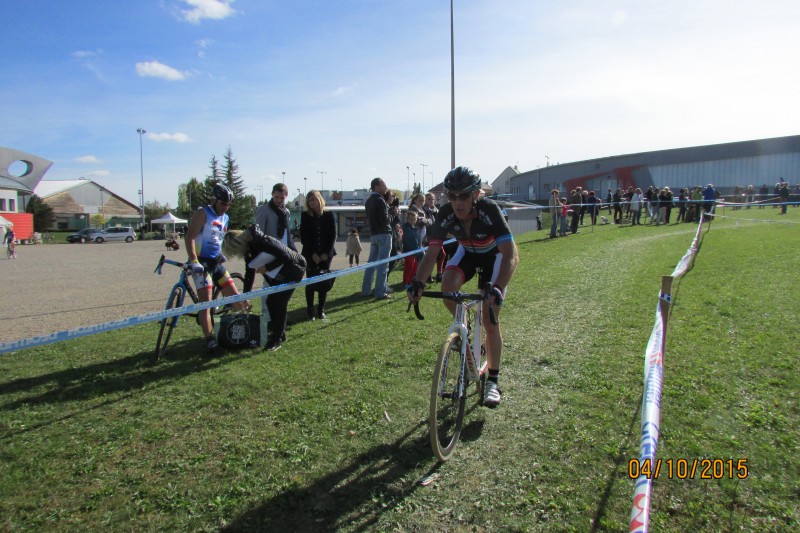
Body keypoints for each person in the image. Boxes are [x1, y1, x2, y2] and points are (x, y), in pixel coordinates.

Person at [408, 167, 519, 408]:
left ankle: (493, 381)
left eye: (463, 196)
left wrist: (498, 288)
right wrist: (418, 282)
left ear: (476, 195)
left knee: (490, 318)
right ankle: (465, 329)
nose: (457, 202)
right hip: (467, 253)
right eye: (452, 196)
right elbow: (432, 254)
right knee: (447, 286)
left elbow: (511, 254)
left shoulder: (489, 210)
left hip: (494, 257)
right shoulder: (446, 213)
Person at [184, 184, 251, 357]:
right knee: (206, 304)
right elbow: (189, 237)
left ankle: (238, 333)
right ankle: (210, 341)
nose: (225, 207)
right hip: (201, 264)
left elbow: (218, 238)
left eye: (228, 205)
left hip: (215, 263)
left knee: (238, 300)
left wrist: (221, 254)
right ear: (214, 200)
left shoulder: (225, 218)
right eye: (222, 204)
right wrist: (193, 260)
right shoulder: (203, 213)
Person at [222, 225, 306, 351]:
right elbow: (249, 273)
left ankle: (276, 339)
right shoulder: (249, 250)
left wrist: (267, 268)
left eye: (234, 251)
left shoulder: (262, 241)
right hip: (277, 274)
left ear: (238, 244)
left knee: (279, 303)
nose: (236, 254)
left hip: (294, 269)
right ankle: (280, 333)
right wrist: (246, 296)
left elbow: (285, 256)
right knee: (271, 302)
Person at [254, 183, 297, 326]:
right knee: (268, 285)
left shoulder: (287, 212)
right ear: (272, 195)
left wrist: (293, 251)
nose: (279, 200)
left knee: (283, 285)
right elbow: (258, 235)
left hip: (284, 254)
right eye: (276, 197)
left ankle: (279, 316)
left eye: (282, 197)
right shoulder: (263, 210)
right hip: (269, 254)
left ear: (286, 197)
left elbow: (287, 234)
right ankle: (266, 316)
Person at [300, 190, 337, 320]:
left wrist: (326, 253)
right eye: (309, 200)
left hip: (326, 255)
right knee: (310, 283)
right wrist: (313, 254)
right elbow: (303, 237)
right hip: (311, 255)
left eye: (313, 199)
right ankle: (310, 311)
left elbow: (333, 235)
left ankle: (321, 310)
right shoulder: (305, 215)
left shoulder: (329, 215)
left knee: (323, 281)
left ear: (319, 200)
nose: (312, 202)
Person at [361, 178, 393, 299]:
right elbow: (385, 220)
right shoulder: (380, 200)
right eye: (383, 185)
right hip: (384, 234)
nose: (385, 187)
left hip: (374, 235)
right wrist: (393, 213)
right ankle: (380, 293)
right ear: (376, 186)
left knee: (371, 264)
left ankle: (366, 290)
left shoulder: (368, 201)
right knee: (383, 265)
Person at [423, 193, 446, 282]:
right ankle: (428, 275)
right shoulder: (424, 210)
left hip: (437, 236)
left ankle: (439, 274)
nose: (431, 200)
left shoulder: (437, 211)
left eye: (432, 199)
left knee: (442, 254)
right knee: (429, 257)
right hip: (427, 236)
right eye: (429, 199)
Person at [401, 210, 421, 288]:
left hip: (415, 251)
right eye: (410, 219)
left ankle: (410, 281)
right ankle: (405, 282)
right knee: (409, 267)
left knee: (414, 267)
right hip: (408, 251)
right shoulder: (405, 227)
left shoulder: (414, 228)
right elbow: (405, 239)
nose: (412, 221)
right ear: (407, 219)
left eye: (414, 219)